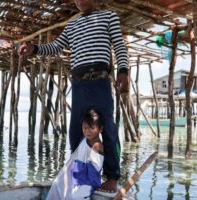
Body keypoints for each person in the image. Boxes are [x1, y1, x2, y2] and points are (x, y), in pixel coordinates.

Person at [17, 0, 129, 193]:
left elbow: (119, 46)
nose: (79, 1)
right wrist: (34, 48)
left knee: (108, 130)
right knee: (76, 133)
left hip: (100, 83)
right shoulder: (72, 25)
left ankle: (112, 177)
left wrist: (123, 71)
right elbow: (55, 47)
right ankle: (80, 175)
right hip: (78, 86)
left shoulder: (109, 17)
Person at [46, 108, 104, 199]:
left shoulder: (97, 145)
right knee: (57, 184)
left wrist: (95, 185)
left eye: (91, 128)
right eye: (84, 128)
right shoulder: (85, 140)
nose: (87, 131)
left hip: (87, 180)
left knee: (77, 195)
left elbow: (95, 169)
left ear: (100, 129)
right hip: (78, 174)